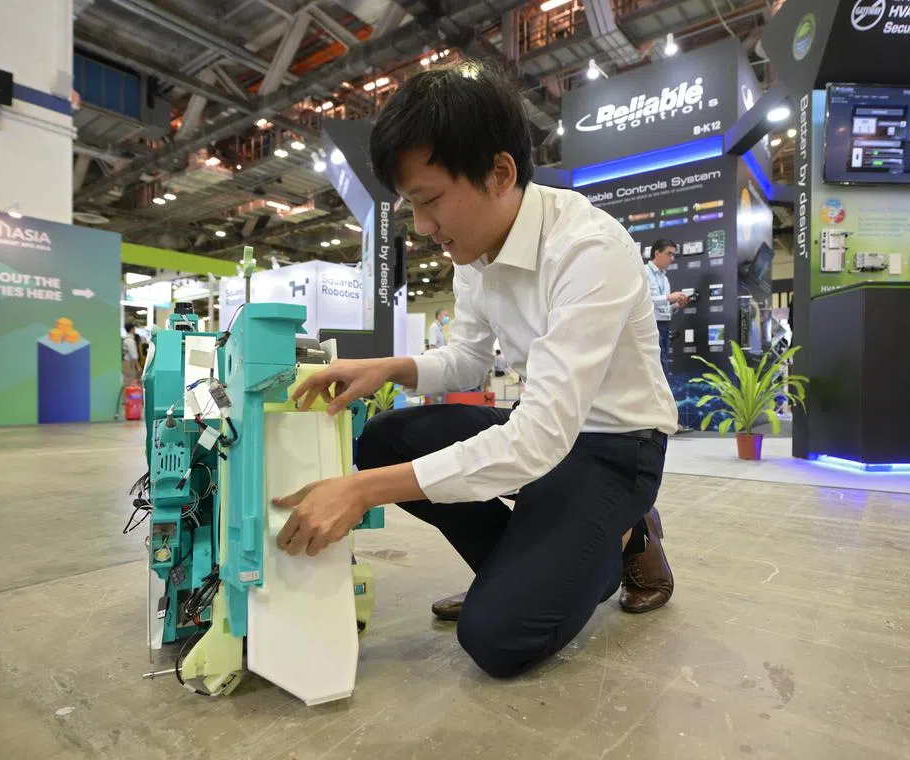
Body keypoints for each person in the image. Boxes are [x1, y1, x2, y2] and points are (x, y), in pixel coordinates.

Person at [270, 60, 676, 679]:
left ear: (500, 173)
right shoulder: (473, 251)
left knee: (498, 638)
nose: (423, 227)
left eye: (430, 201)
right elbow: (466, 359)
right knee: (382, 440)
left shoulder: (589, 249)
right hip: (543, 431)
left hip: (615, 445)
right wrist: (388, 367)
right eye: (412, 206)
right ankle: (516, 572)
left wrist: (360, 491)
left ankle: (624, 537)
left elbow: (540, 437)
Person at [644, 240, 687, 379]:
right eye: (669, 254)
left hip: (664, 324)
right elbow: (646, 301)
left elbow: (662, 306)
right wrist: (669, 297)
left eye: (673, 254)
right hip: (651, 325)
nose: (672, 258)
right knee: (658, 366)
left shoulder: (664, 277)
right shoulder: (644, 272)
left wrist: (675, 305)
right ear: (657, 253)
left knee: (662, 366)